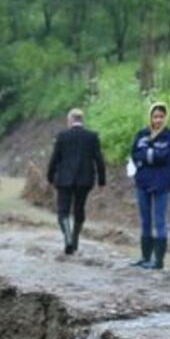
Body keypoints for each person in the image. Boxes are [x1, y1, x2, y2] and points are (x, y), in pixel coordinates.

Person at [45, 107, 106, 255]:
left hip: (65, 180)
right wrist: (101, 180)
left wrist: (50, 176)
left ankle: (68, 239)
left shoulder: (62, 136)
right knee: (79, 209)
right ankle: (75, 239)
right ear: (81, 120)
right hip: (84, 180)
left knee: (63, 211)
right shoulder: (92, 136)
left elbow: (55, 158)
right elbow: (99, 159)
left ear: (70, 120)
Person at [129, 101, 170, 269]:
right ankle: (145, 257)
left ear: (166, 118)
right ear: (150, 117)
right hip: (143, 181)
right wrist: (152, 155)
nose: (158, 120)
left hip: (162, 182)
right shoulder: (141, 134)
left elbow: (165, 156)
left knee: (159, 220)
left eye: (161, 117)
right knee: (145, 220)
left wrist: (147, 155)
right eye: (155, 116)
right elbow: (135, 153)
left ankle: (158, 261)